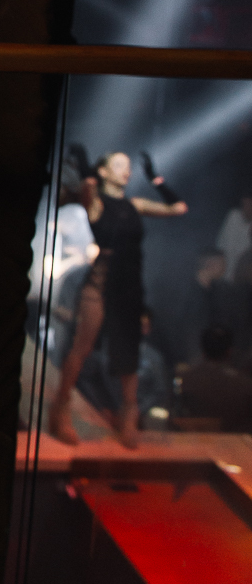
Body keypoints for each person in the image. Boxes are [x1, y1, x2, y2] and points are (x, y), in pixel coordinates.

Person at [47, 151, 188, 449]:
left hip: (129, 284)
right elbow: (87, 188)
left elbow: (178, 208)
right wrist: (86, 168)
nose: (127, 171)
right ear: (105, 172)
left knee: (128, 351)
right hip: (101, 281)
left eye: (128, 166)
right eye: (119, 165)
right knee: (83, 346)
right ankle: (61, 407)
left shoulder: (134, 205)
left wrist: (156, 179)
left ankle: (128, 414)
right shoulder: (96, 202)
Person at [173, 325, 252, 433]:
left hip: (191, 441)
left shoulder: (183, 381)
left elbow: (174, 418)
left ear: (202, 349)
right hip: (237, 442)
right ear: (230, 351)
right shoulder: (245, 385)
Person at [217, 188, 252, 277]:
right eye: (245, 204)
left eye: (250, 204)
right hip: (223, 270)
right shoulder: (234, 216)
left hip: (242, 273)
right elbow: (227, 247)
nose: (248, 208)